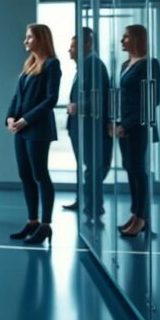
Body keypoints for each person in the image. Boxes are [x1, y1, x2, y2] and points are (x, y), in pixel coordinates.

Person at [6, 24, 62, 245]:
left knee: (40, 175)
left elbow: (51, 99)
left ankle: (45, 225)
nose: (25, 41)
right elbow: (17, 97)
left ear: (41, 39)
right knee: (25, 175)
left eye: (29, 37)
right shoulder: (29, 64)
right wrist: (10, 117)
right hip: (21, 129)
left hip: (37, 129)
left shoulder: (52, 64)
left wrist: (25, 119)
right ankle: (32, 221)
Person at [61, 27, 113, 222]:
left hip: (91, 128)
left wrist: (78, 106)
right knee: (88, 167)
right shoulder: (84, 66)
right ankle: (84, 200)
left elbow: (101, 98)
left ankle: (94, 206)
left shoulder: (95, 65)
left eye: (73, 46)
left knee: (93, 167)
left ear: (87, 44)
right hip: (80, 127)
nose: (69, 50)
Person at [116, 24, 160, 237]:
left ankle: (142, 218)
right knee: (130, 169)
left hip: (138, 126)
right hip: (123, 126)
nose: (121, 41)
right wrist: (117, 122)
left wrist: (127, 124)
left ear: (136, 39)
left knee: (138, 171)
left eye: (125, 37)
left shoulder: (150, 64)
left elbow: (152, 100)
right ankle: (136, 214)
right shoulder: (126, 63)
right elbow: (121, 96)